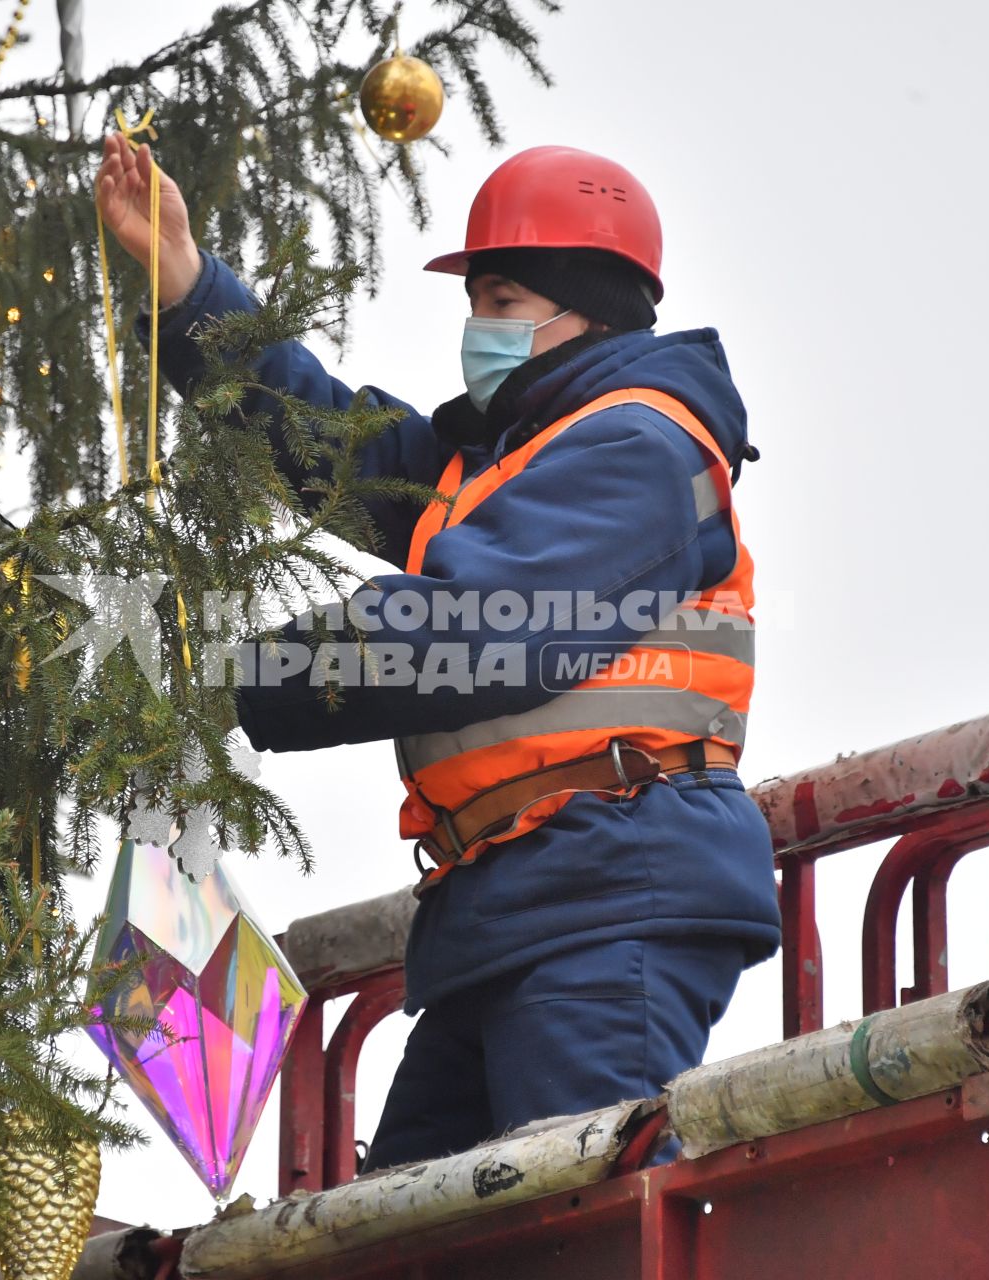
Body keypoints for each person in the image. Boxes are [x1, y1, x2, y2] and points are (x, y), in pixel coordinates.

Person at [95, 136, 782, 1169]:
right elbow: (331, 438)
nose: (479, 328)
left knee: (572, 1222)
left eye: (501, 299)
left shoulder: (638, 446)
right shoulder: (507, 457)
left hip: (607, 892)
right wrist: (190, 292)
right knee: (411, 1223)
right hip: (517, 903)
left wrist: (237, 679)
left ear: (583, 304)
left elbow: (478, 632)